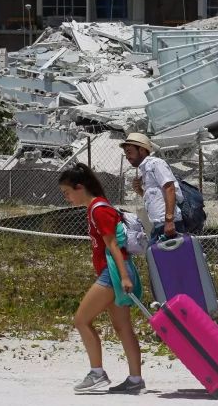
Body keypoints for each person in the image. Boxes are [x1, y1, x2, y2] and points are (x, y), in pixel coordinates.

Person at [58, 163, 145, 394]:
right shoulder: (98, 207)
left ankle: (97, 374)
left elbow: (113, 245)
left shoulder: (98, 209)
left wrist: (124, 278)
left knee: (81, 320)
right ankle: (135, 380)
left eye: (67, 193)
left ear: (79, 187)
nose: (66, 198)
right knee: (122, 326)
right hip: (116, 270)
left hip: (113, 272)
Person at [120, 133, 186, 244]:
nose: (127, 156)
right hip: (159, 225)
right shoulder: (146, 169)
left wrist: (169, 221)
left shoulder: (155, 164)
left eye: (129, 152)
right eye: (126, 153)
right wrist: (141, 191)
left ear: (141, 150)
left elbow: (170, 188)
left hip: (168, 224)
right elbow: (157, 197)